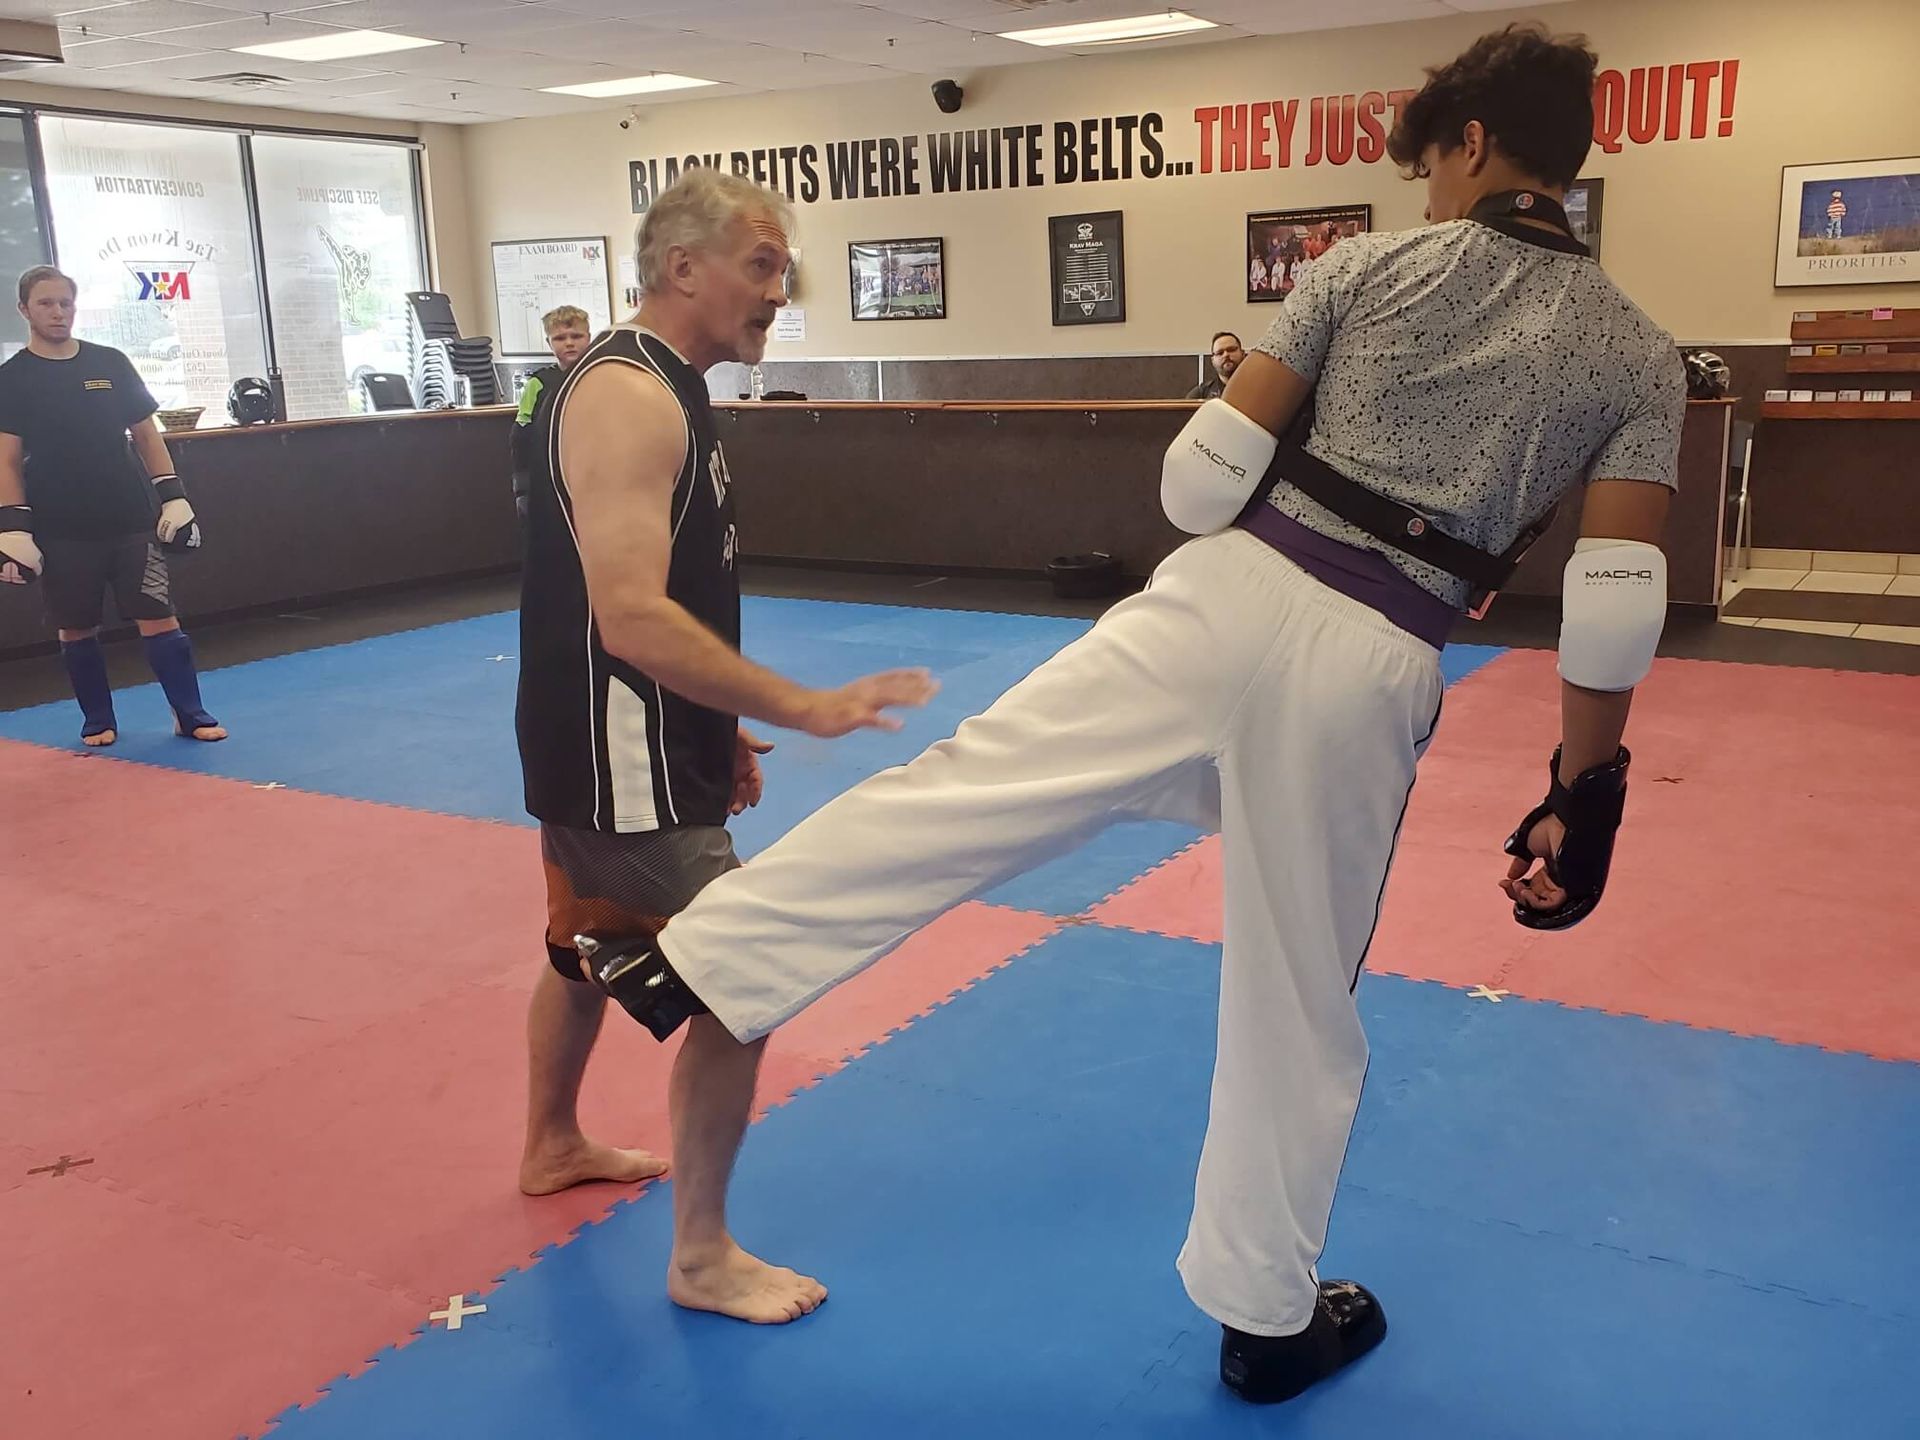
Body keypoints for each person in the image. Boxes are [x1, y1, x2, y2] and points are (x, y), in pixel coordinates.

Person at [569, 21, 1682, 1405]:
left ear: (1468, 144)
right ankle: (1268, 1320)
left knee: (977, 782)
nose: (1433, 198)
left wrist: (1249, 392)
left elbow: (1198, 484)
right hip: (1372, 660)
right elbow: (1619, 597)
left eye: (1434, 170)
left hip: (1217, 600)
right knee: (1296, 994)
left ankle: (703, 956)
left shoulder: (1361, 267)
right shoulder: (1638, 354)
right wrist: (1587, 793)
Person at [512, 168, 936, 1325]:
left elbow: (634, 610)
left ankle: (551, 1143)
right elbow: (630, 616)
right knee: (743, 980)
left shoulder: (660, 387)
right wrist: (804, 705)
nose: (777, 288)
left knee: (579, 946)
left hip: (614, 741)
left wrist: (717, 720)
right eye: (760, 264)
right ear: (680, 268)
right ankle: (701, 1256)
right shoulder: (630, 396)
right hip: (619, 763)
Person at [0, 266, 224, 746]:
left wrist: (174, 496)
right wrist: (12, 527)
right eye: (45, 303)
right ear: (24, 310)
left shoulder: (110, 362)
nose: (58, 312)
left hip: (129, 518)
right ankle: (98, 718)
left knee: (159, 615)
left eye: (65, 302)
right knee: (76, 626)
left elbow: (147, 434)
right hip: (59, 525)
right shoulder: (13, 378)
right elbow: (7, 459)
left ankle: (190, 712)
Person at [509, 304, 592, 524]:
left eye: (576, 336)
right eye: (559, 338)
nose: (569, 343)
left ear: (589, 338)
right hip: (549, 480)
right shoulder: (537, 384)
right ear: (548, 342)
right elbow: (520, 436)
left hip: (591, 478)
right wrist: (522, 488)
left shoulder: (599, 378)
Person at [1185, 331, 1244, 400]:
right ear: (1213, 361)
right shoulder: (1200, 394)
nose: (1226, 355)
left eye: (1231, 350)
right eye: (1220, 353)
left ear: (1242, 354)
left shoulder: (1257, 388)